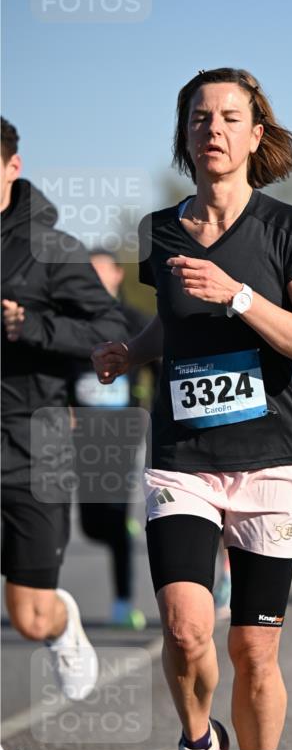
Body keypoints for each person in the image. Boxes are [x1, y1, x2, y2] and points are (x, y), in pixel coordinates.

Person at [91, 68, 292, 750]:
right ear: (184, 133)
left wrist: (239, 297)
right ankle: (199, 743)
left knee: (253, 652)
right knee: (186, 628)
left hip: (270, 459)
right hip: (184, 459)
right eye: (200, 117)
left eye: (232, 117)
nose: (215, 129)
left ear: (256, 134)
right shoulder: (159, 230)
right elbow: (176, 320)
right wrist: (133, 348)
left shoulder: (289, 230)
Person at [1, 118, 127, 750]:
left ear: (11, 167)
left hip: (35, 442)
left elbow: (111, 330)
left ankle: (62, 621)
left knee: (28, 616)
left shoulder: (50, 250)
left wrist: (32, 325)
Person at [70, 248, 159, 629]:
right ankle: (116, 525)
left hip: (123, 429)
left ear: (117, 276)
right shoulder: (72, 321)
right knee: (91, 524)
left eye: (101, 269)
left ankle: (123, 600)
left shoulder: (134, 321)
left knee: (115, 508)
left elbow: (160, 363)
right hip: (84, 430)